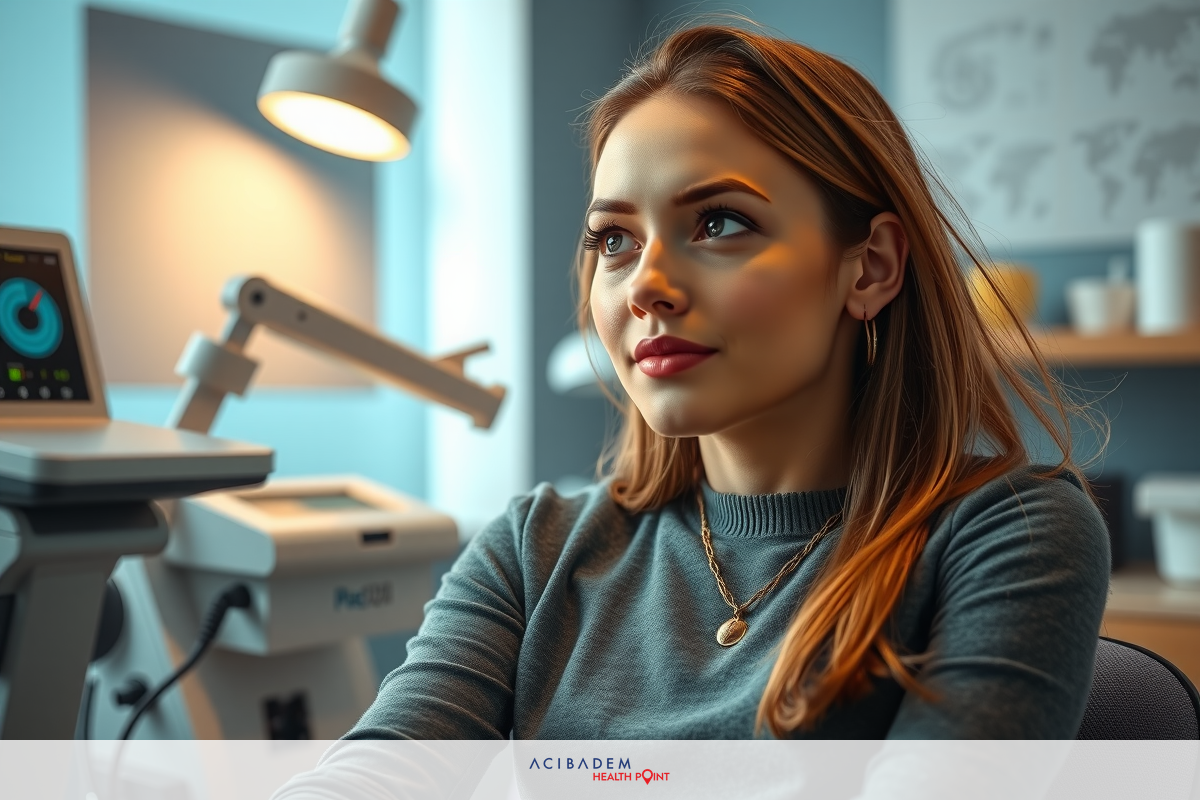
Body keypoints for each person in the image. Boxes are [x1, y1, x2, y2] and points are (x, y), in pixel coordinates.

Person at [348, 23, 1109, 741]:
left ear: (870, 266)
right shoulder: (533, 552)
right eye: (615, 239)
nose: (646, 286)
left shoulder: (1010, 535)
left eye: (718, 223)